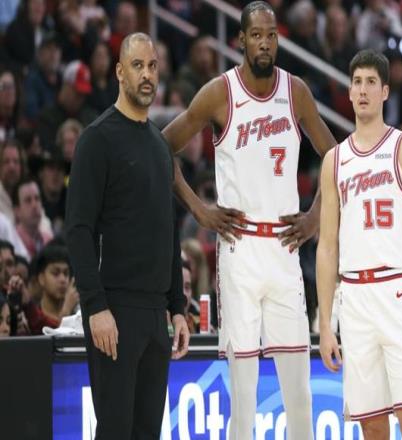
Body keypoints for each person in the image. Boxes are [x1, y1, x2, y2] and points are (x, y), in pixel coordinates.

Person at [163, 2, 336, 438]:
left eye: (271, 35)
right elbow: (160, 147)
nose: (264, 43)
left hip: (285, 249)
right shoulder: (219, 92)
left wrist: (316, 216)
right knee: (244, 393)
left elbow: (336, 158)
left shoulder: (295, 91)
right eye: (256, 35)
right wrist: (199, 209)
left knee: (299, 392)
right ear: (241, 40)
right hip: (239, 251)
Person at [65, 32, 189, 439]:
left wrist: (177, 307)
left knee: (148, 432)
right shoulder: (97, 139)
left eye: (152, 66)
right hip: (114, 311)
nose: (147, 75)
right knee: (115, 431)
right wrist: (95, 306)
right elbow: (78, 229)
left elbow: (168, 232)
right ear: (120, 72)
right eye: (137, 66)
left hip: (156, 316)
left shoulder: (159, 145)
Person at [317, 49, 402, 439]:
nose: (363, 90)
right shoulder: (334, 160)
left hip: (398, 292)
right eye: (357, 82)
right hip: (354, 298)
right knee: (371, 426)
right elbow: (327, 247)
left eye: (371, 82)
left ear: (385, 91)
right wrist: (325, 324)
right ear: (349, 92)